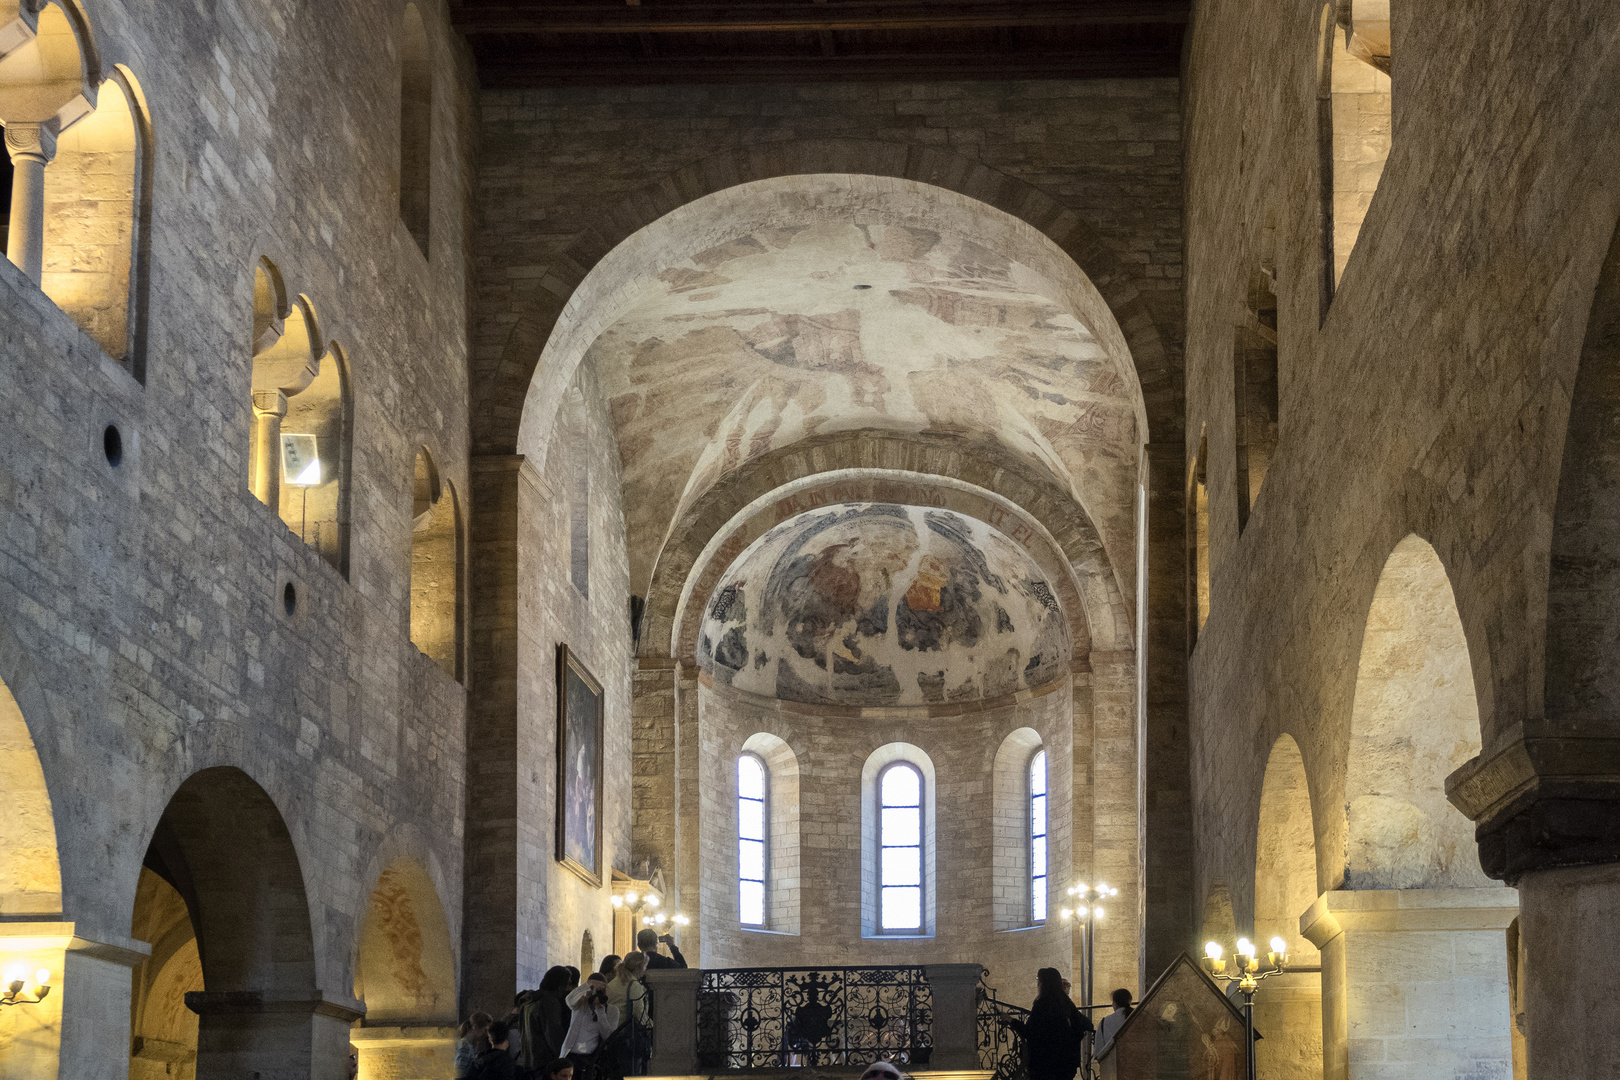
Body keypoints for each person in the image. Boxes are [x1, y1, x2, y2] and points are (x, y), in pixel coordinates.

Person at [1005, 968, 1094, 1080]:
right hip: (1066, 1064)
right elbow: (1081, 1029)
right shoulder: (1067, 1004)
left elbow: (1030, 1032)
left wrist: (1010, 1020)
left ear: (1043, 984)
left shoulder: (1041, 1005)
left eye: (1039, 981)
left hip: (1044, 1065)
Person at [561, 970, 621, 1078]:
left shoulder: (612, 1010)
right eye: (594, 989)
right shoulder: (580, 1004)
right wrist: (587, 986)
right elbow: (569, 1000)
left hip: (593, 1059)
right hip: (571, 1056)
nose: (597, 992)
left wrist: (600, 1011)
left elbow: (608, 1036)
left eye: (601, 989)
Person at [521, 966, 575, 1072]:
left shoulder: (528, 1002)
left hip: (529, 1060)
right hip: (546, 1061)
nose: (568, 988)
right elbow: (553, 1033)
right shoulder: (549, 1002)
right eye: (567, 984)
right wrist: (562, 1058)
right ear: (560, 984)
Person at [1094, 988, 1133, 1057]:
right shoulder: (1139, 1017)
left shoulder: (1105, 1022)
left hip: (1113, 1063)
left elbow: (1098, 1051)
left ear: (1114, 1003)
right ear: (1130, 1001)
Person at [458, 1011, 494, 1077]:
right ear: (475, 1027)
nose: (486, 1034)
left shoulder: (468, 1045)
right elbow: (459, 1074)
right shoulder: (465, 1046)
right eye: (485, 1030)